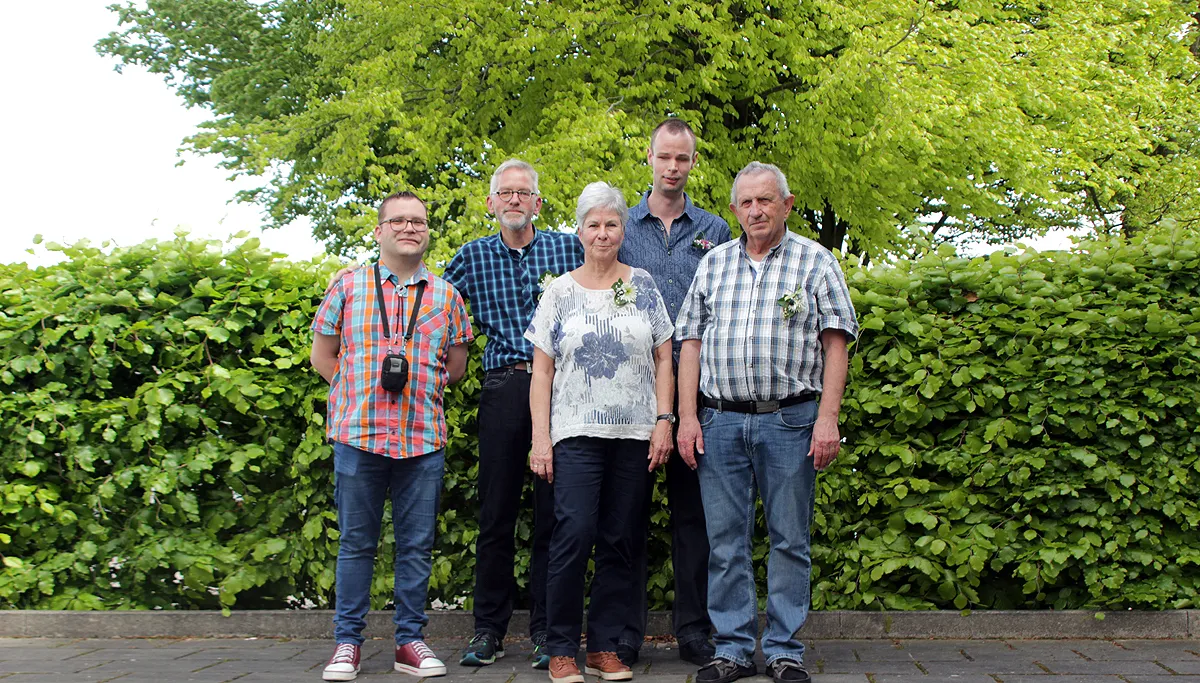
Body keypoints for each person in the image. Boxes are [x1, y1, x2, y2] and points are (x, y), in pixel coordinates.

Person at [675, 163, 859, 683]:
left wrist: (828, 418)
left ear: (786, 204)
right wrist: (688, 417)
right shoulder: (712, 266)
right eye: (746, 203)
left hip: (791, 422)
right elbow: (689, 343)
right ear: (734, 210)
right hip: (721, 423)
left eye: (765, 201)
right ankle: (732, 649)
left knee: (789, 539)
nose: (756, 211)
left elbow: (836, 342)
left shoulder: (815, 262)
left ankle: (783, 650)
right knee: (726, 543)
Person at [311, 191, 474, 682]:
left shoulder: (446, 296)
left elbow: (458, 368)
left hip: (422, 438)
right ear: (380, 231)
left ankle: (409, 641)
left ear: (427, 231)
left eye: (418, 221)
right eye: (398, 221)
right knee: (356, 543)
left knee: (417, 545)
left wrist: (421, 389)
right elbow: (323, 356)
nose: (410, 228)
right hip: (358, 435)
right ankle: (347, 645)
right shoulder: (349, 287)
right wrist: (354, 392)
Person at [525, 182, 675, 683]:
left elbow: (663, 357)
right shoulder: (560, 292)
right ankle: (562, 645)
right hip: (574, 435)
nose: (603, 233)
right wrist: (540, 439)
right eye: (594, 224)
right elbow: (541, 371)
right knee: (573, 535)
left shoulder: (644, 284)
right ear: (580, 230)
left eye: (611, 224)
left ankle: (605, 647)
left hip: (634, 435)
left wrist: (663, 421)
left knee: (620, 539)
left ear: (622, 229)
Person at [442, 160, 584, 669]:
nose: (515, 201)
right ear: (491, 203)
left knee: (556, 515)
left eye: (524, 193)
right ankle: (488, 630)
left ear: (539, 203)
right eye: (505, 193)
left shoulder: (569, 249)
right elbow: (432, 305)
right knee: (496, 514)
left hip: (564, 390)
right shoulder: (471, 258)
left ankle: (547, 631)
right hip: (504, 387)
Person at [616, 117, 730, 666]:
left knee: (694, 521)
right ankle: (625, 634)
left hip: (697, 398)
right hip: (629, 394)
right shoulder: (622, 226)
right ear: (649, 157)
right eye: (665, 157)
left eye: (682, 159)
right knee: (628, 518)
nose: (673, 167)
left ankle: (694, 631)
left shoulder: (715, 230)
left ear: (692, 162)